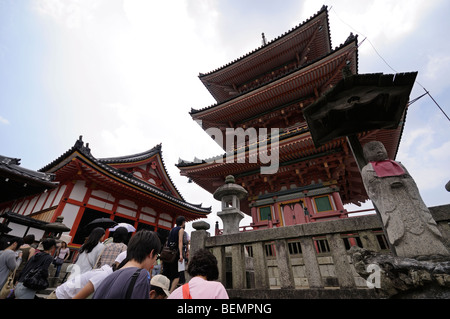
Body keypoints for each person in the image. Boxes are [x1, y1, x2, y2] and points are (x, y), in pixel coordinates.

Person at [361, 140, 449, 257]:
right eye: (373, 149)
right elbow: (372, 191)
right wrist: (387, 185)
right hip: (392, 207)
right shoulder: (367, 170)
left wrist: (403, 183)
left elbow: (411, 182)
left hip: (412, 203)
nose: (379, 151)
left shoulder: (398, 165)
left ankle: (437, 250)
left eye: (381, 147)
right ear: (366, 154)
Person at [92, 229, 161, 299]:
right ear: (151, 253)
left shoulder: (110, 276)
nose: (154, 262)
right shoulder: (142, 275)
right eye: (156, 256)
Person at [162, 216, 185, 292]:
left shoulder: (172, 230)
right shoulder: (181, 230)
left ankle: (164, 291)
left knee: (166, 274)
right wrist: (181, 254)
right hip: (175, 254)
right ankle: (170, 292)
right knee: (176, 276)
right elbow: (180, 241)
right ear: (182, 222)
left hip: (167, 254)